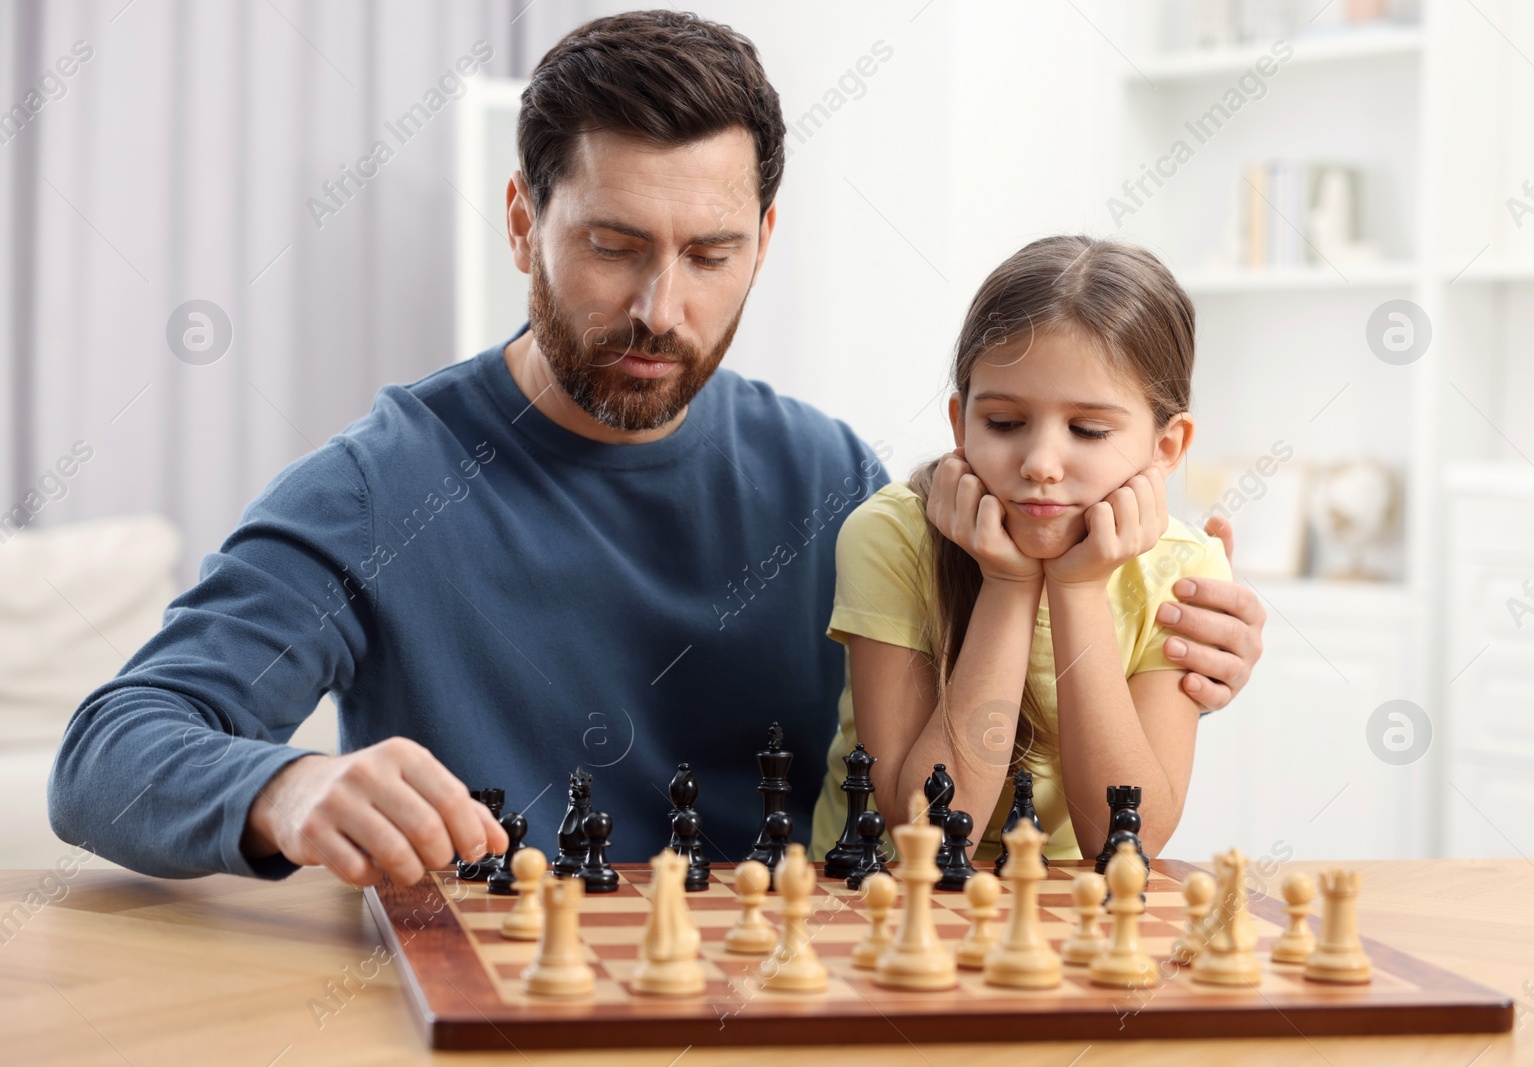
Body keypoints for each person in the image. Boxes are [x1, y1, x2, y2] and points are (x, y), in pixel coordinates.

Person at [49, 11, 1265, 887]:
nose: (661, 309)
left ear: (764, 239)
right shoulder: (381, 482)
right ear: (525, 220)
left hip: (792, 993)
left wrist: (1188, 615)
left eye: (709, 252)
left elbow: (1002, 696)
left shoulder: (831, 476)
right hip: (506, 1001)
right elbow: (106, 753)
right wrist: (286, 787)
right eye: (613, 245)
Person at [812, 236, 1232, 864]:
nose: (1039, 464)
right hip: (883, 904)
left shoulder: (1182, 567)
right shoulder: (892, 536)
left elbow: (1125, 839)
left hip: (1064, 909)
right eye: (1003, 424)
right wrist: (1007, 586)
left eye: (1088, 431)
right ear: (960, 423)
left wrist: (1078, 589)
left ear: (1166, 448)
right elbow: (924, 832)